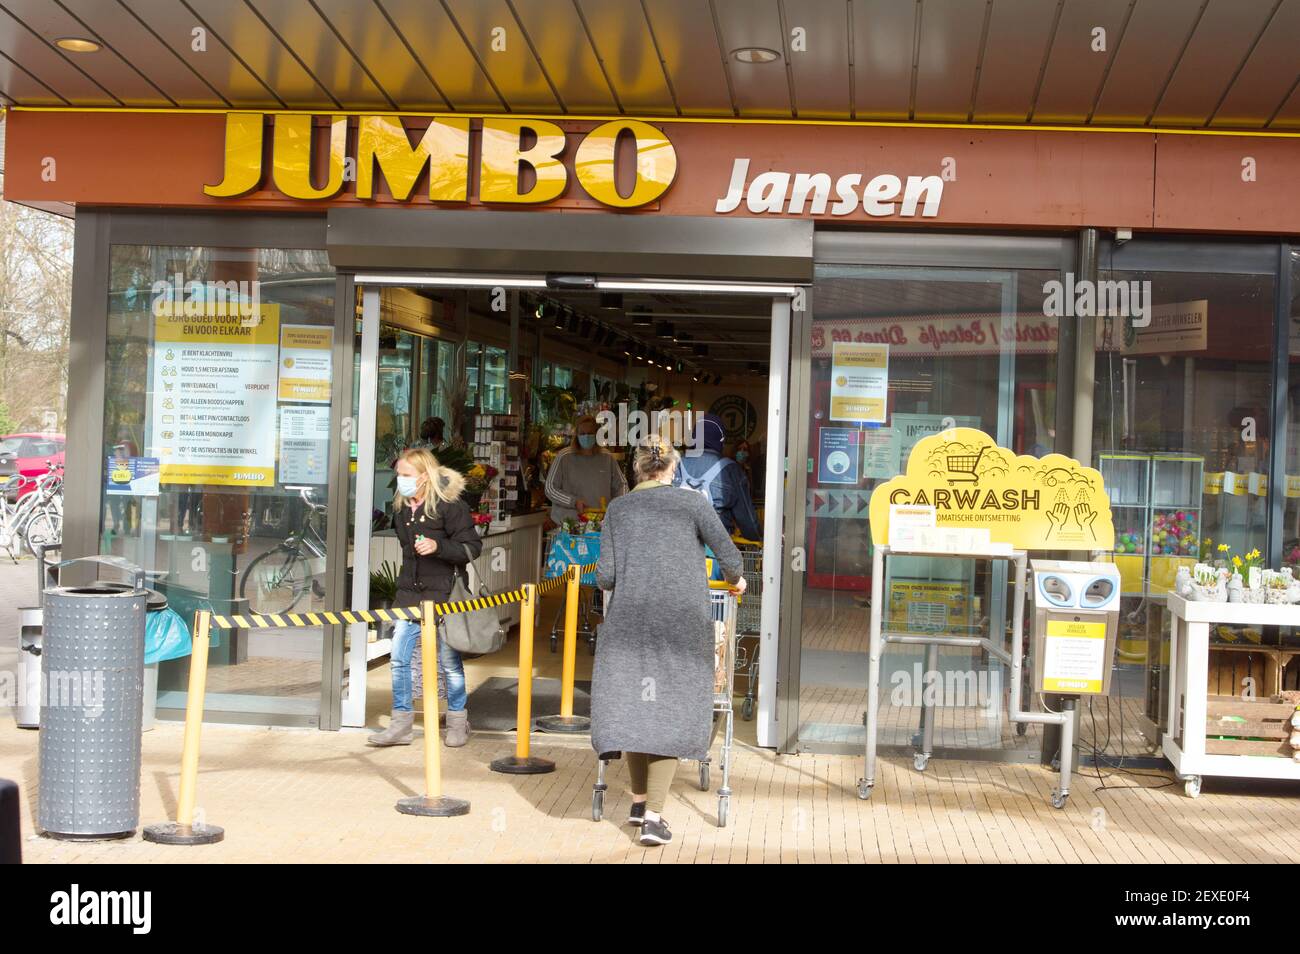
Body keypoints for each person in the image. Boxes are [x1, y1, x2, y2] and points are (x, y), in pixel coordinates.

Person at [592, 434, 745, 847]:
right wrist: (737, 579)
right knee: (670, 711)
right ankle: (654, 818)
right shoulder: (692, 503)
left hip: (628, 626)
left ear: (635, 469)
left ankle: (639, 803)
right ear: (672, 468)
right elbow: (730, 557)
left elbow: (604, 576)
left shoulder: (618, 510)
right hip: (680, 627)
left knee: (638, 710)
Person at [367, 448, 483, 749]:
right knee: (399, 659)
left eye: (406, 475)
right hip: (409, 594)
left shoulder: (449, 506)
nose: (400, 480)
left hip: (444, 596)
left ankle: (457, 721)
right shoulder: (403, 509)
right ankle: (401, 723)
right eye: (399, 475)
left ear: (424, 476)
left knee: (448, 662)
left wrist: (438, 545)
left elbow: (472, 546)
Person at [676, 414, 762, 541]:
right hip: (715, 549)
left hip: (678, 545)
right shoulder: (731, 469)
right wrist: (759, 538)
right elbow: (746, 519)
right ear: (720, 439)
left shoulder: (676, 464)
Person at [545, 413, 627, 524]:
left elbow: (622, 485)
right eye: (582, 434)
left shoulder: (607, 457)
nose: (586, 437)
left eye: (590, 433)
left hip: (600, 525)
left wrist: (616, 507)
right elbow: (550, 488)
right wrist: (573, 501)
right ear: (576, 435)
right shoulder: (564, 457)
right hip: (568, 525)